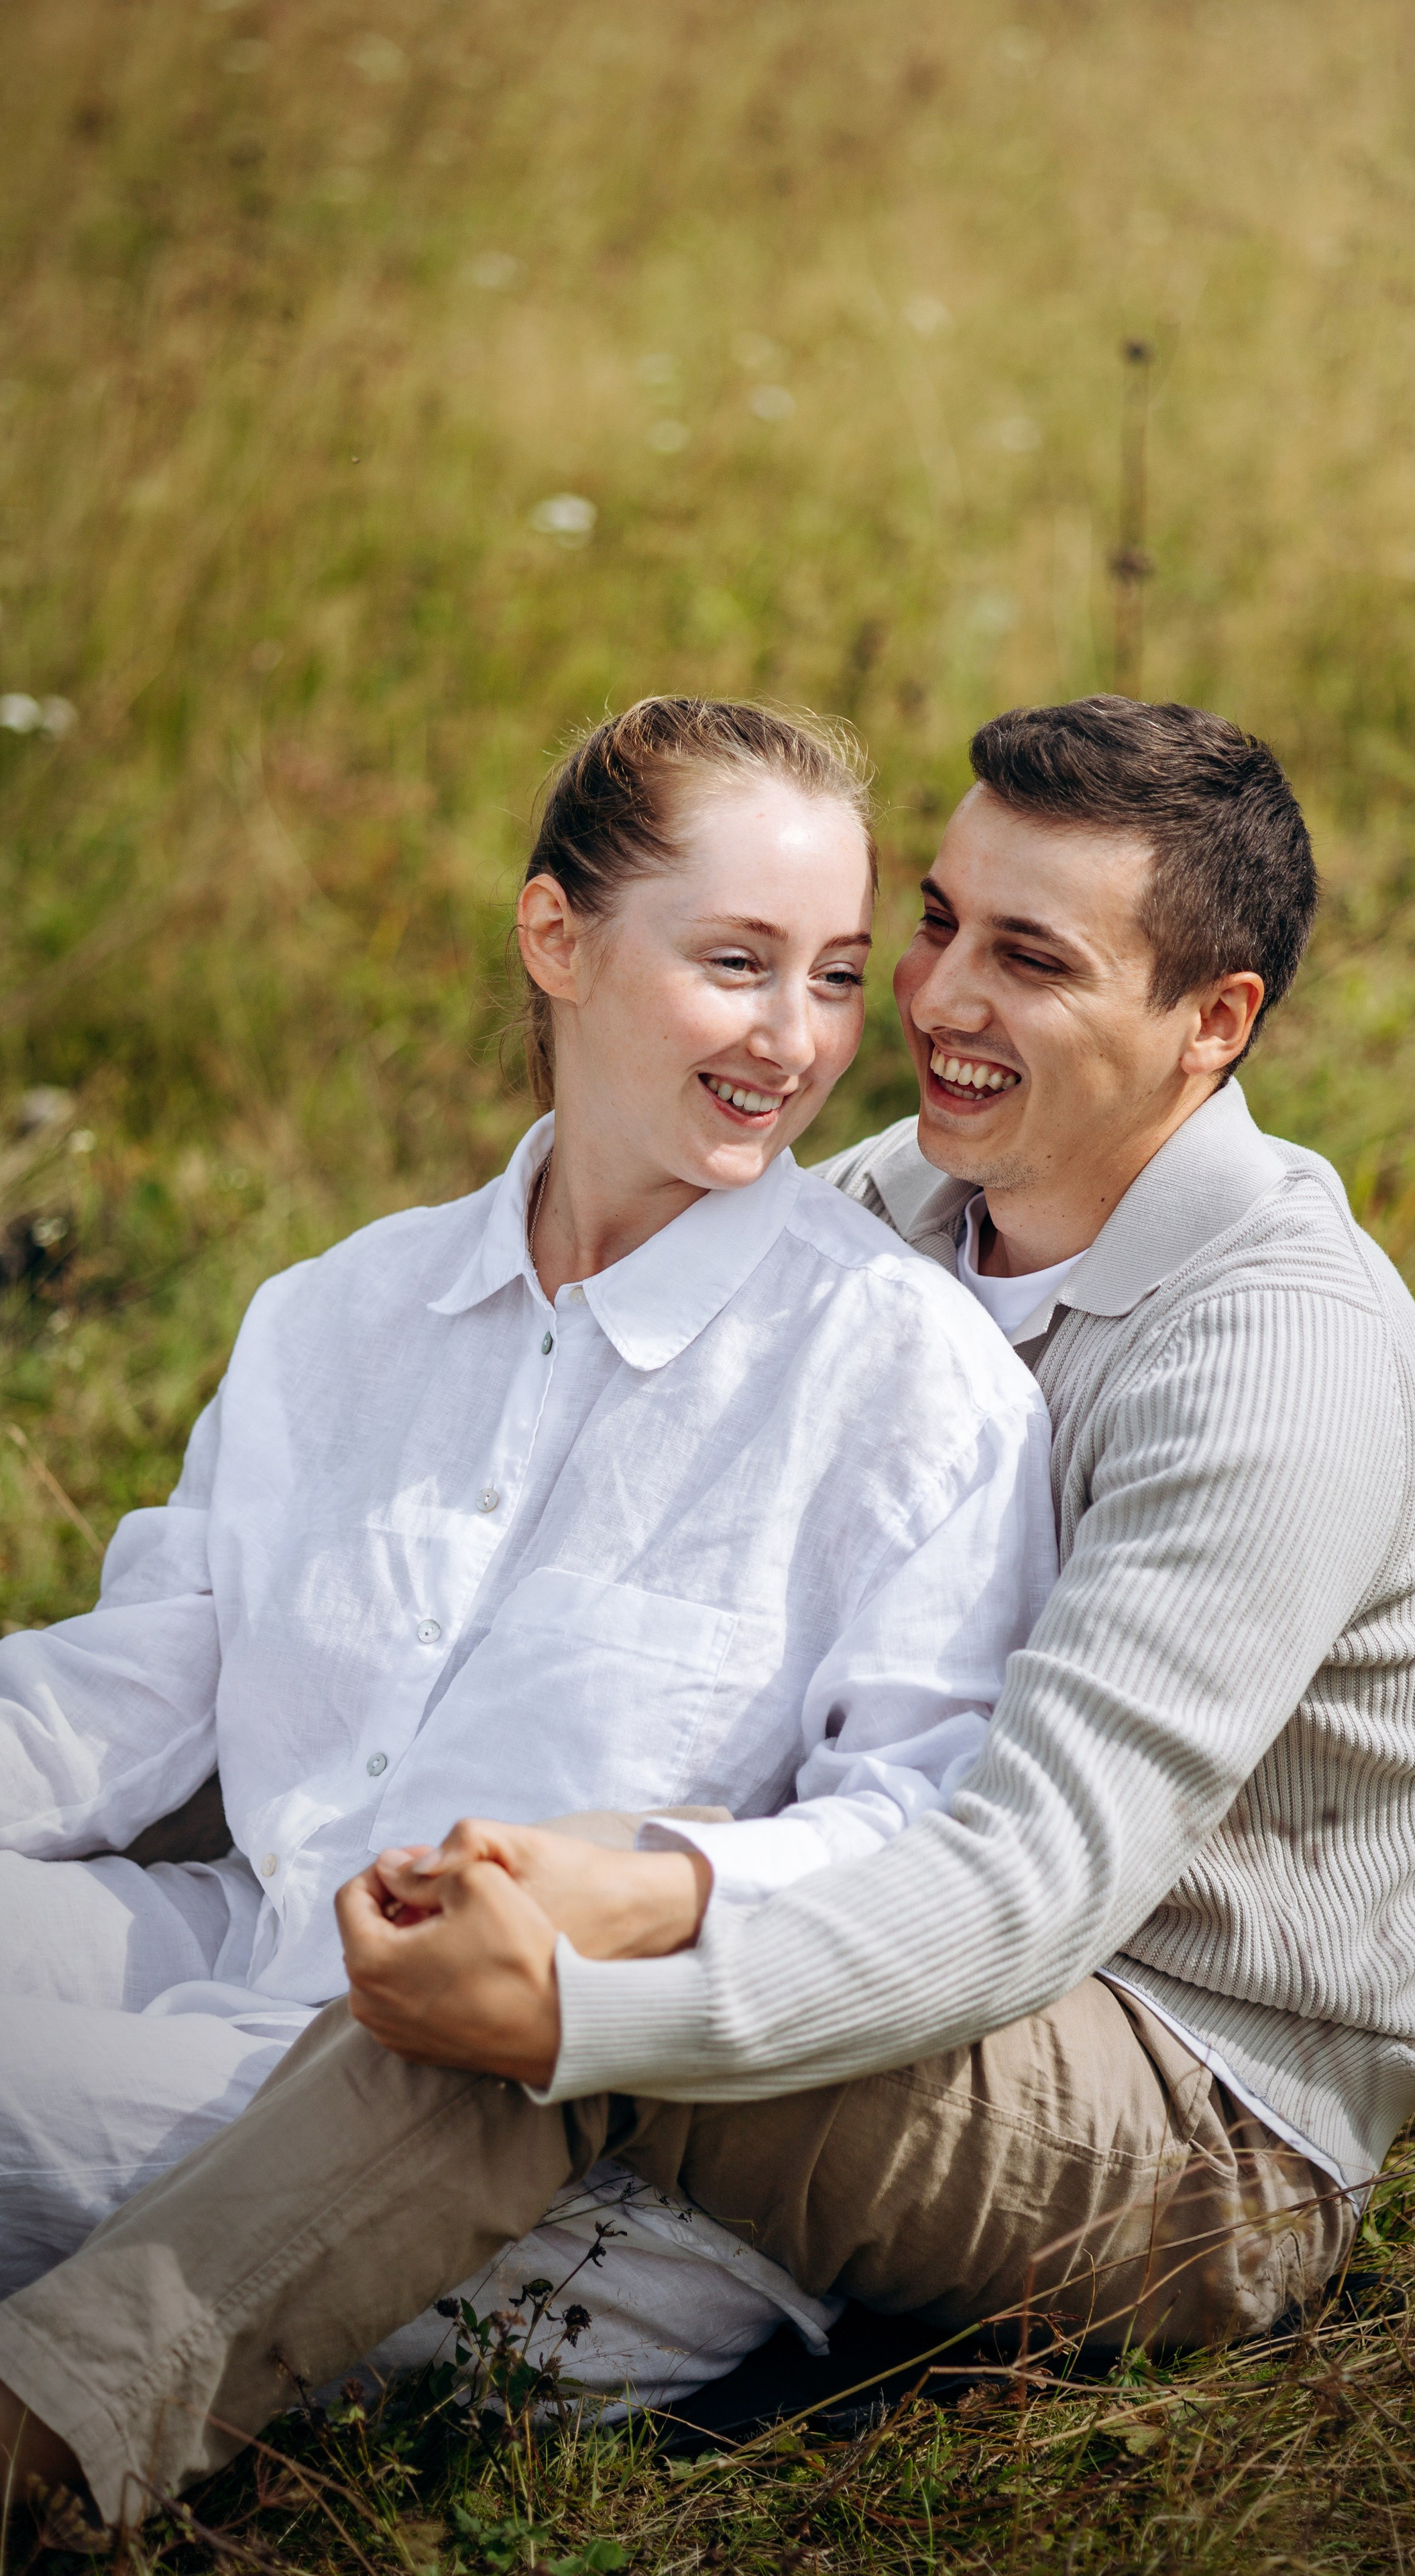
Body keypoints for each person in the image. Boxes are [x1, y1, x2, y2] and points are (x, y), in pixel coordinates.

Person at [0, 698, 1415, 2529]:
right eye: (935, 924)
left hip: (1185, 2093)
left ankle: (56, 2431)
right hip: (943, 1962)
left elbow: (1021, 1885)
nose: (937, 998)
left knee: (552, 2003)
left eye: (1031, 958)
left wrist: (625, 1934)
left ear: (1215, 1021)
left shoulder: (1275, 1360)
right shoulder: (904, 1206)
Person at [0, 698, 1059, 2495]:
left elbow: (913, 1832)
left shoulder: (909, 1382)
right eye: (736, 962)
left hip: (541, 2147)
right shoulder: (337, 1315)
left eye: (832, 976)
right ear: (556, 937)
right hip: (238, 1944)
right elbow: (133, 1688)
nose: (796, 1039)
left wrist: (644, 1894)